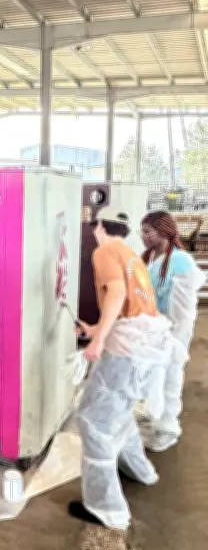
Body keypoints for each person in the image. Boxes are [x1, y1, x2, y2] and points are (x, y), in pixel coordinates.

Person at [71, 206, 171, 530]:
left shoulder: (105, 251)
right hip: (144, 345)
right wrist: (96, 329)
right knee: (120, 410)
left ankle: (106, 509)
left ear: (97, 225)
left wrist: (97, 342)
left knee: (93, 420)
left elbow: (117, 292)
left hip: (126, 351)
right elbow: (132, 306)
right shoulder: (130, 253)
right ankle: (140, 470)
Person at [141, 210, 206, 452]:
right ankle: (155, 416)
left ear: (164, 232)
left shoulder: (180, 262)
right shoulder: (151, 257)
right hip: (152, 328)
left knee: (168, 376)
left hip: (170, 332)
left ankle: (167, 427)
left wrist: (171, 336)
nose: (144, 237)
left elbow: (182, 311)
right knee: (152, 376)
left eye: (148, 232)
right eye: (143, 232)